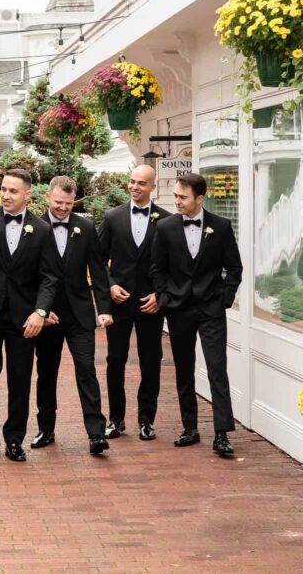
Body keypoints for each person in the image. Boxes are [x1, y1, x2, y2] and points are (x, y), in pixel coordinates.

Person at [0, 169, 60, 462]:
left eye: (13, 191)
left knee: (20, 379)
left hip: (25, 319)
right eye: (4, 189)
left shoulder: (42, 229)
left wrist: (41, 311)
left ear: (27, 194)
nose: (6, 195)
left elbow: (49, 276)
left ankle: (14, 439)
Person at [151, 173, 243, 457]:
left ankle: (222, 434)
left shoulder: (221, 227)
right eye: (176, 196)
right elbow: (157, 269)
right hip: (179, 310)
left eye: (182, 197)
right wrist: (165, 298)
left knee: (217, 368)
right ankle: (190, 428)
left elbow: (235, 268)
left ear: (199, 198)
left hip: (211, 309)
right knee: (183, 370)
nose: (176, 201)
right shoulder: (165, 228)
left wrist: (224, 299)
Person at [32, 176, 113, 456]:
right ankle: (46, 429)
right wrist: (40, 310)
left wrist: (103, 310)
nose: (63, 208)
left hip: (80, 314)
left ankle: (96, 434)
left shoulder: (86, 227)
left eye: (68, 204)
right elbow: (29, 276)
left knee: (86, 370)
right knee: (46, 373)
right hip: (49, 315)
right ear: (47, 198)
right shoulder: (35, 227)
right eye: (58, 203)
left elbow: (99, 270)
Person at [97, 165, 171, 441]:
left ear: (153, 186)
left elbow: (173, 266)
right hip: (119, 303)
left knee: (151, 361)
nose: (135, 187)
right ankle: (116, 420)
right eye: (132, 182)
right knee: (115, 360)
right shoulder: (112, 217)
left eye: (141, 183)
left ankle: (146, 421)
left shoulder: (166, 221)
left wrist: (160, 295)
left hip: (150, 304)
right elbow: (97, 259)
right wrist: (111, 285)